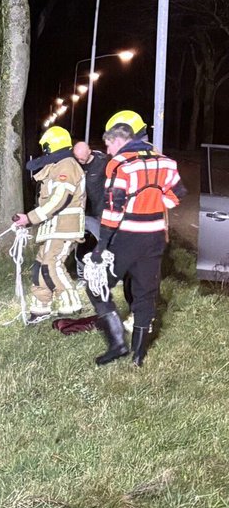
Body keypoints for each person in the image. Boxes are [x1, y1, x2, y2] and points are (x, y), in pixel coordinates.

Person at [87, 110, 186, 366]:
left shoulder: (121, 166)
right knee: (145, 294)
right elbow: (177, 195)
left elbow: (112, 211)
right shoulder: (166, 162)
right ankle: (138, 356)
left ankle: (118, 344)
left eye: (109, 142)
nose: (107, 149)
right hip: (154, 239)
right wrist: (153, 203)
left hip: (126, 238)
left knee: (96, 286)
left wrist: (101, 246)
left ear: (122, 136)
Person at [13, 126, 87, 320]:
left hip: (65, 228)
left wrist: (30, 218)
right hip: (52, 228)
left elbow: (59, 199)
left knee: (52, 264)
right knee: (40, 266)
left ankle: (71, 303)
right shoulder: (56, 165)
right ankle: (41, 305)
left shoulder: (67, 165)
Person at [76, 139, 134, 330]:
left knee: (106, 244)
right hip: (86, 213)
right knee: (82, 244)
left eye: (84, 159)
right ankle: (84, 274)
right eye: (79, 159)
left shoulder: (103, 162)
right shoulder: (74, 161)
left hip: (103, 214)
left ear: (90, 152)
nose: (82, 162)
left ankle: (111, 275)